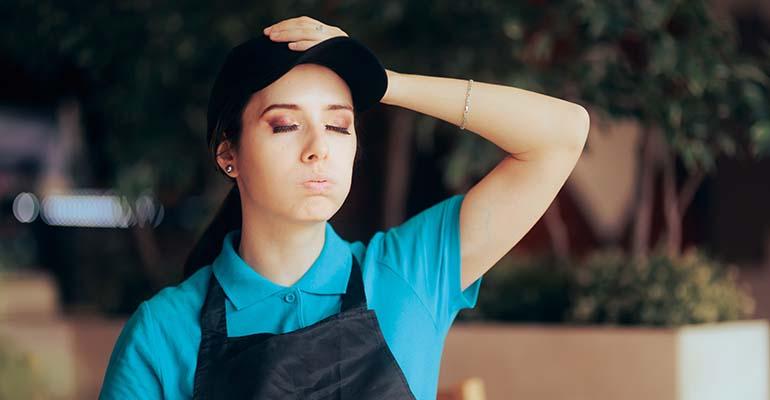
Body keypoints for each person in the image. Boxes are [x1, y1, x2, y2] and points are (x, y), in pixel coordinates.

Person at [100, 15, 590, 400]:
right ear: (229, 153)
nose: (319, 149)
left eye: (339, 125)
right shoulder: (163, 331)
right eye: (285, 125)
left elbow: (562, 135)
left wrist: (387, 82)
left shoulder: (408, 273)